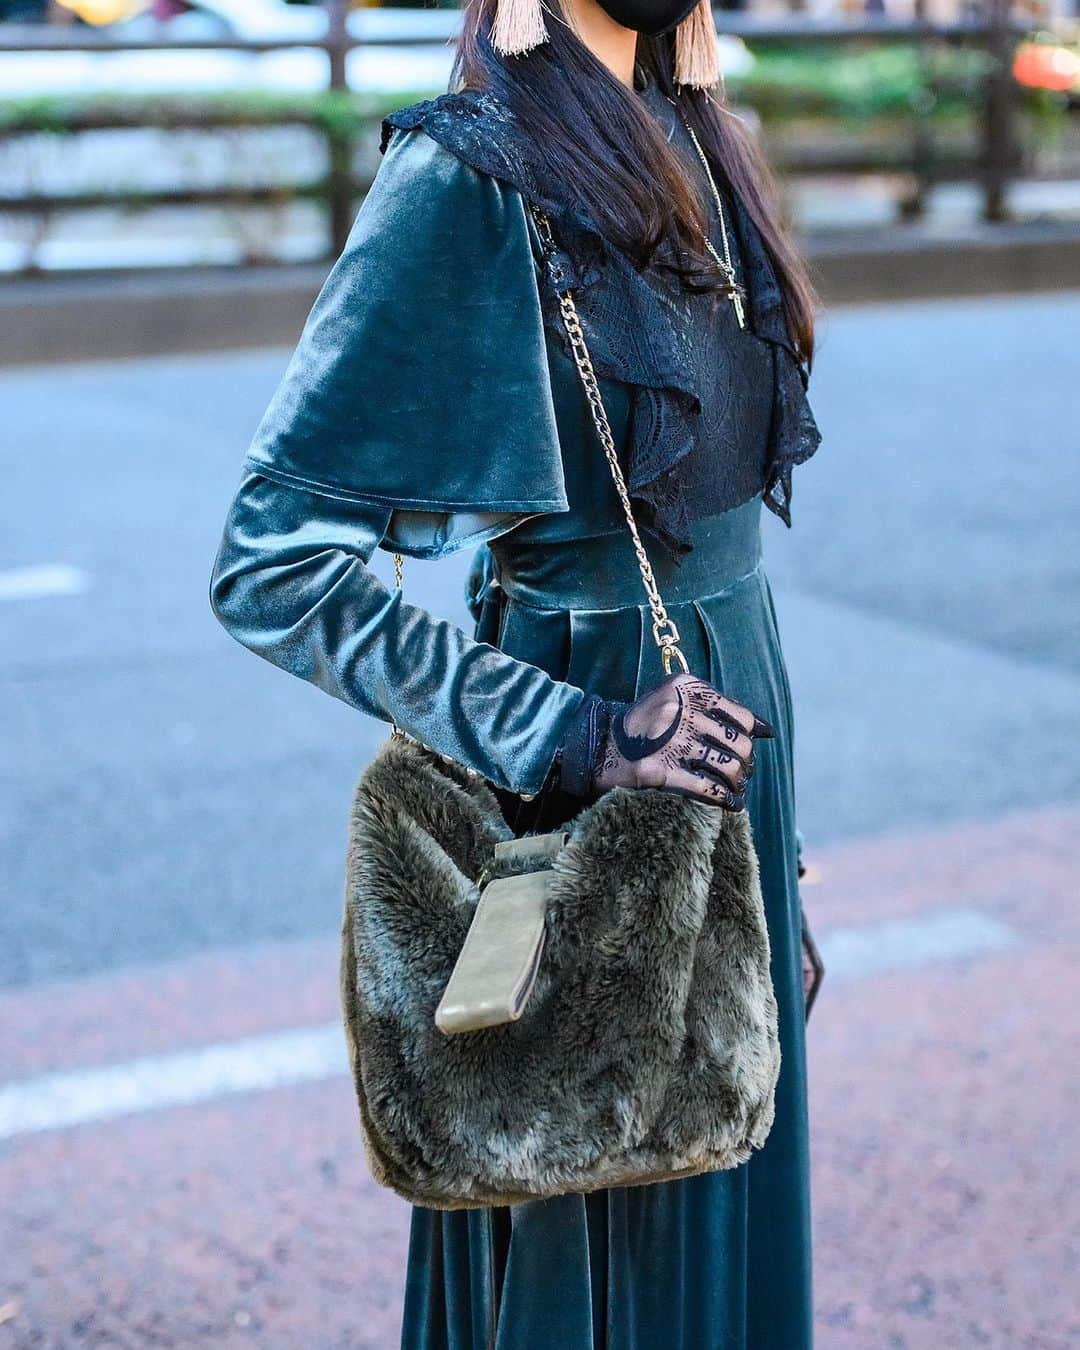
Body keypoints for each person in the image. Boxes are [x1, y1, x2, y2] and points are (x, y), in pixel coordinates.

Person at [210, 0, 823, 1343]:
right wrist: (573, 732)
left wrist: (778, 864)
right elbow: (271, 561)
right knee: (585, 1201)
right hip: (585, 772)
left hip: (731, 761)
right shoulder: (472, 170)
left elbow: (716, 567)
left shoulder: (703, 137)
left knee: (719, 1172)